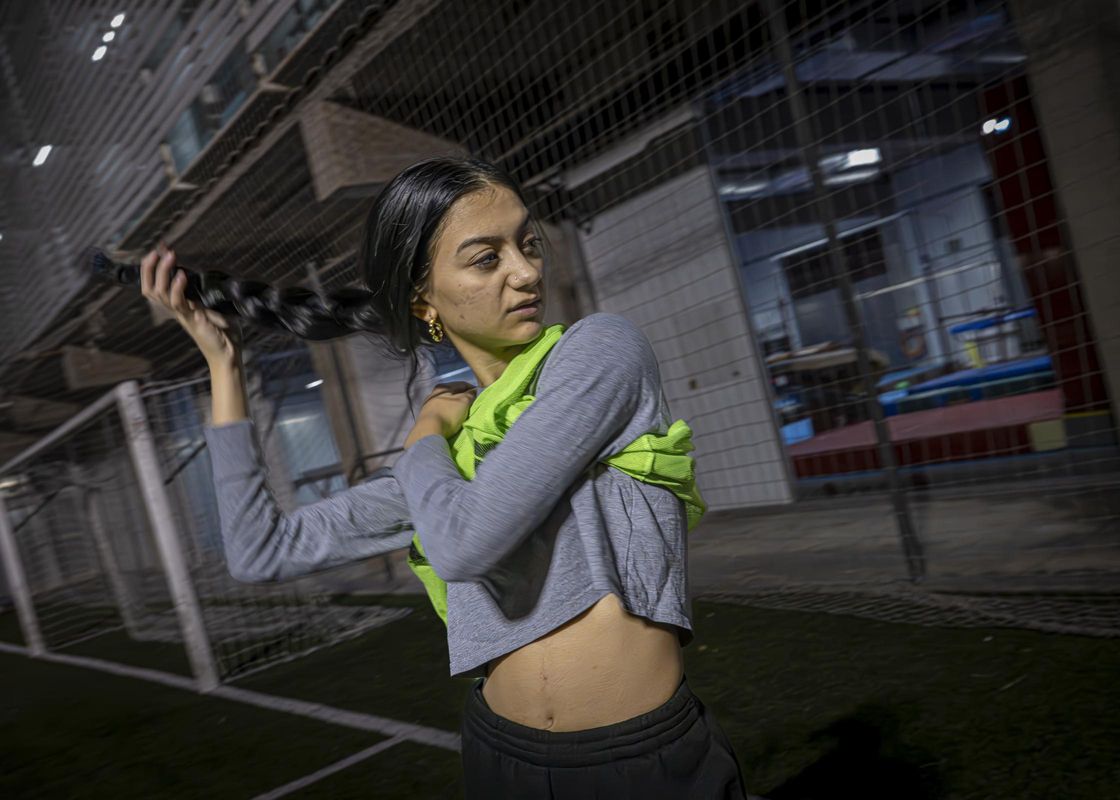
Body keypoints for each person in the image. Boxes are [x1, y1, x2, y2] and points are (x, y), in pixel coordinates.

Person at [140, 156, 747, 798]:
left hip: (642, 760)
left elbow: (465, 543)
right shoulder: (449, 460)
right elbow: (258, 552)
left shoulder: (599, 351)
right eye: (487, 258)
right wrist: (224, 367)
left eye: (528, 244)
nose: (526, 271)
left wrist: (424, 434)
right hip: (499, 755)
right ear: (423, 297)